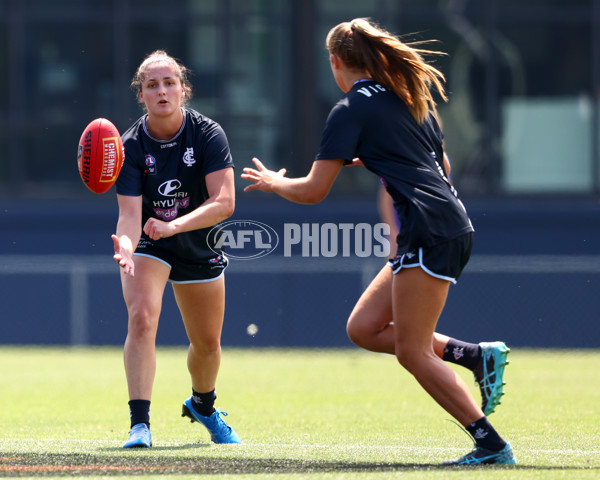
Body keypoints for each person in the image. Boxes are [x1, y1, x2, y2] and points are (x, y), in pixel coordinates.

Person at [241, 19, 515, 465]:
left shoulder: (349, 110)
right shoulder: (409, 97)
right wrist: (376, 153)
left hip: (430, 229)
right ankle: (476, 356)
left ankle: (491, 445)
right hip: (444, 223)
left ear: (335, 62)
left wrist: (274, 183)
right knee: (364, 328)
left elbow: (312, 191)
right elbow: (441, 164)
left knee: (411, 351)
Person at [112, 50, 240, 448]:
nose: (162, 90)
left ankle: (203, 404)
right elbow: (130, 215)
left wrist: (175, 225)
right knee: (142, 317)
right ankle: (139, 424)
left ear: (183, 90)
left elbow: (225, 202)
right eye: (152, 85)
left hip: (197, 239)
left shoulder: (207, 134)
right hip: (152, 239)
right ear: (141, 95)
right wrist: (128, 246)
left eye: (169, 83)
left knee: (207, 344)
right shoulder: (129, 145)